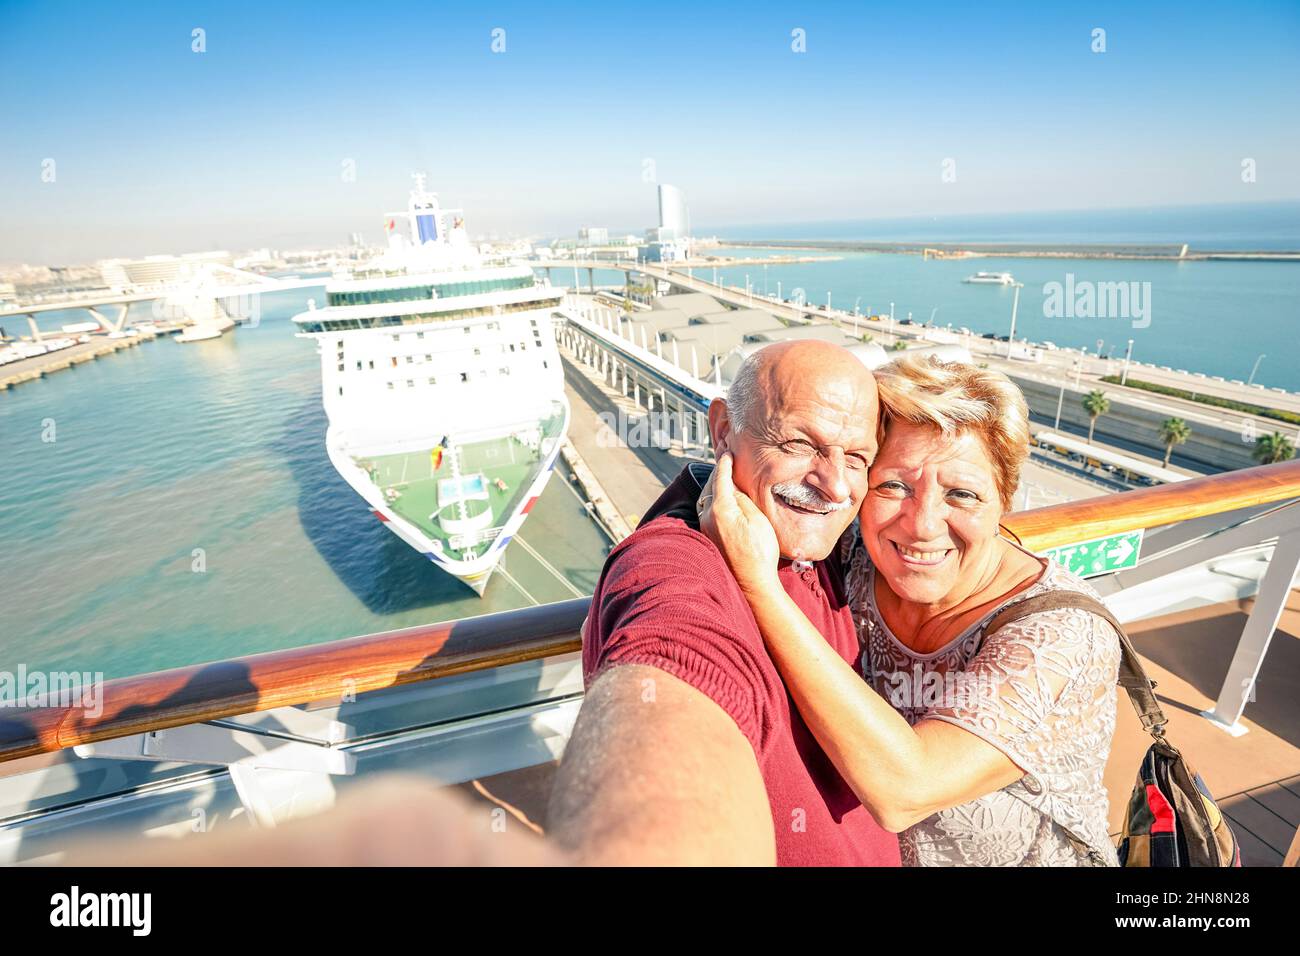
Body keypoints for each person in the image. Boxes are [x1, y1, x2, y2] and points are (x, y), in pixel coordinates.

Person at [700, 353, 1121, 866]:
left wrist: (759, 586)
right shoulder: (853, 555)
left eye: (962, 494)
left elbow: (906, 789)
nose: (922, 525)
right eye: (894, 486)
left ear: (1004, 501)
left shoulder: (1062, 636)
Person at [546, 340, 901, 866]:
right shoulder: (671, 563)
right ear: (721, 431)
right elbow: (674, 660)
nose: (832, 484)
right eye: (800, 443)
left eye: (855, 458)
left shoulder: (819, 541)